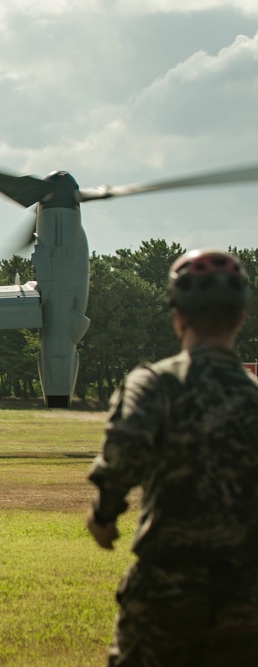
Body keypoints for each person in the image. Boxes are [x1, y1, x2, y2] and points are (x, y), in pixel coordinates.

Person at [87, 248, 258, 666]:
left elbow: (124, 450)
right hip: (246, 592)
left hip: (168, 585)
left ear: (177, 314)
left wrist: (105, 514)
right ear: (240, 318)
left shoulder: (154, 383)